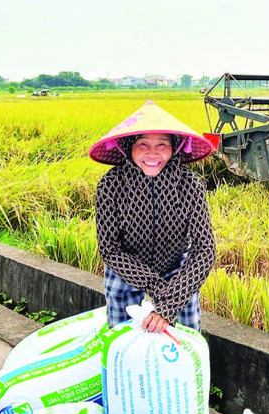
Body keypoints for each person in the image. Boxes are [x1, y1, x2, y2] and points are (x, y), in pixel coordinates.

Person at [88, 100, 216, 334]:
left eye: (162, 144)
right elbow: (109, 249)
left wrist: (168, 304)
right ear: (128, 147)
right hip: (126, 262)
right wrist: (157, 287)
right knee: (121, 334)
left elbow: (204, 249)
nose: (152, 153)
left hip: (177, 262)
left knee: (186, 332)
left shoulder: (190, 185)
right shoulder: (110, 185)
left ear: (175, 147)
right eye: (143, 144)